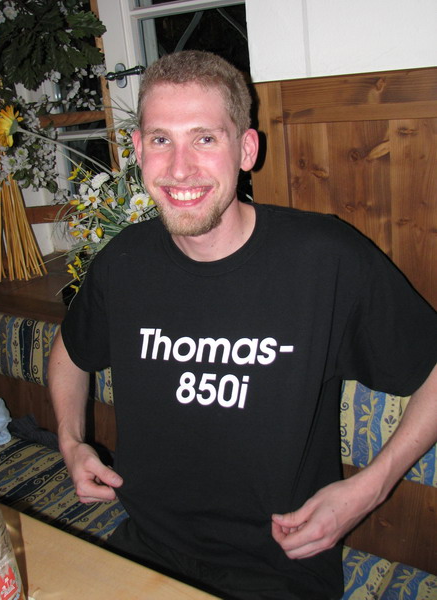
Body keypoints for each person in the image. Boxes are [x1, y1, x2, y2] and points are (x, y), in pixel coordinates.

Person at [48, 50, 437, 600]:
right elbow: (70, 351)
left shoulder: (325, 259)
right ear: (136, 150)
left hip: (280, 565)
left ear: (246, 150)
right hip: (146, 544)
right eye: (160, 140)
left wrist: (370, 489)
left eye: (204, 138)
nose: (179, 168)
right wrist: (70, 442)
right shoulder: (124, 261)